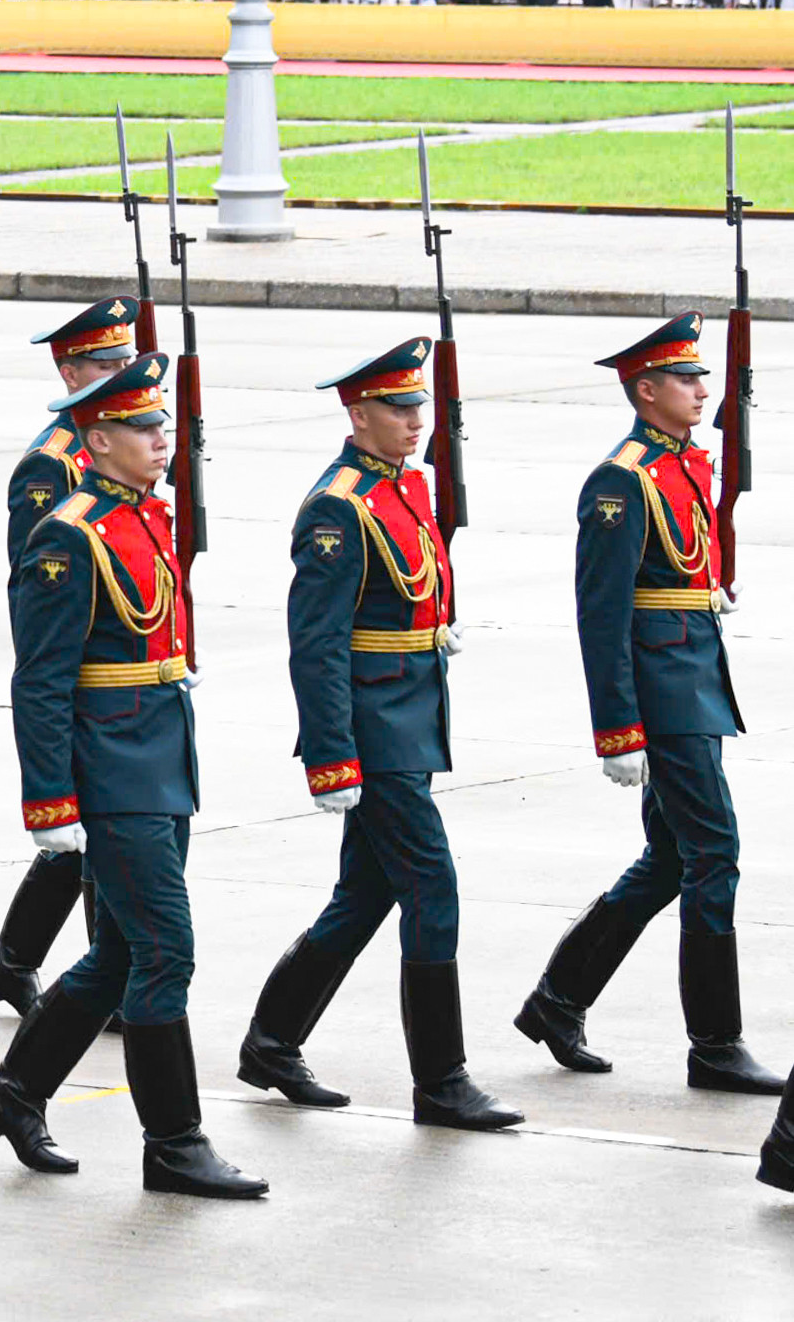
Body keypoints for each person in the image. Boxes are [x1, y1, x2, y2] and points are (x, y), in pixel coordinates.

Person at [0, 351, 267, 1199]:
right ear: (97, 438)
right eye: (143, 426)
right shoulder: (67, 536)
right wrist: (49, 799)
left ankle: (16, 1092)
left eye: (161, 423)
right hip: (109, 771)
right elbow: (39, 679)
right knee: (164, 950)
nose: (160, 437)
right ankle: (173, 1142)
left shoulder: (144, 516)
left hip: (159, 760)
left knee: (117, 953)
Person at [234, 337, 520, 1131]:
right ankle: (442, 1080)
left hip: (410, 716)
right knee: (433, 888)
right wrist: (331, 757)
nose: (414, 420)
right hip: (371, 730)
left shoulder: (405, 489)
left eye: (419, 405)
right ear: (359, 415)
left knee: (364, 897)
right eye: (399, 408)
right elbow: (315, 643)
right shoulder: (338, 507)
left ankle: (273, 1039)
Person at [514, 315, 782, 1097]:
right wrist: (617, 729)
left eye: (703, 377)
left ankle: (557, 1001)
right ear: (646, 390)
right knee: (715, 855)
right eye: (687, 379)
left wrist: (709, 592)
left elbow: (684, 564)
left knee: (672, 858)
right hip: (665, 697)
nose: (704, 390)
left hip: (695, 677)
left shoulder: (683, 466)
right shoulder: (621, 480)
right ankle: (715, 1044)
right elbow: (601, 615)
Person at [0, 297, 139, 1015]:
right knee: (93, 832)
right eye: (106, 364)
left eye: (127, 361)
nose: (121, 373)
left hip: (120, 670)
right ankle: (80, 973)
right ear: (69, 372)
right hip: (76, 675)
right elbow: (35, 589)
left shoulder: (119, 443)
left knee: (99, 835)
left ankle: (18, 963)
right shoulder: (51, 466)